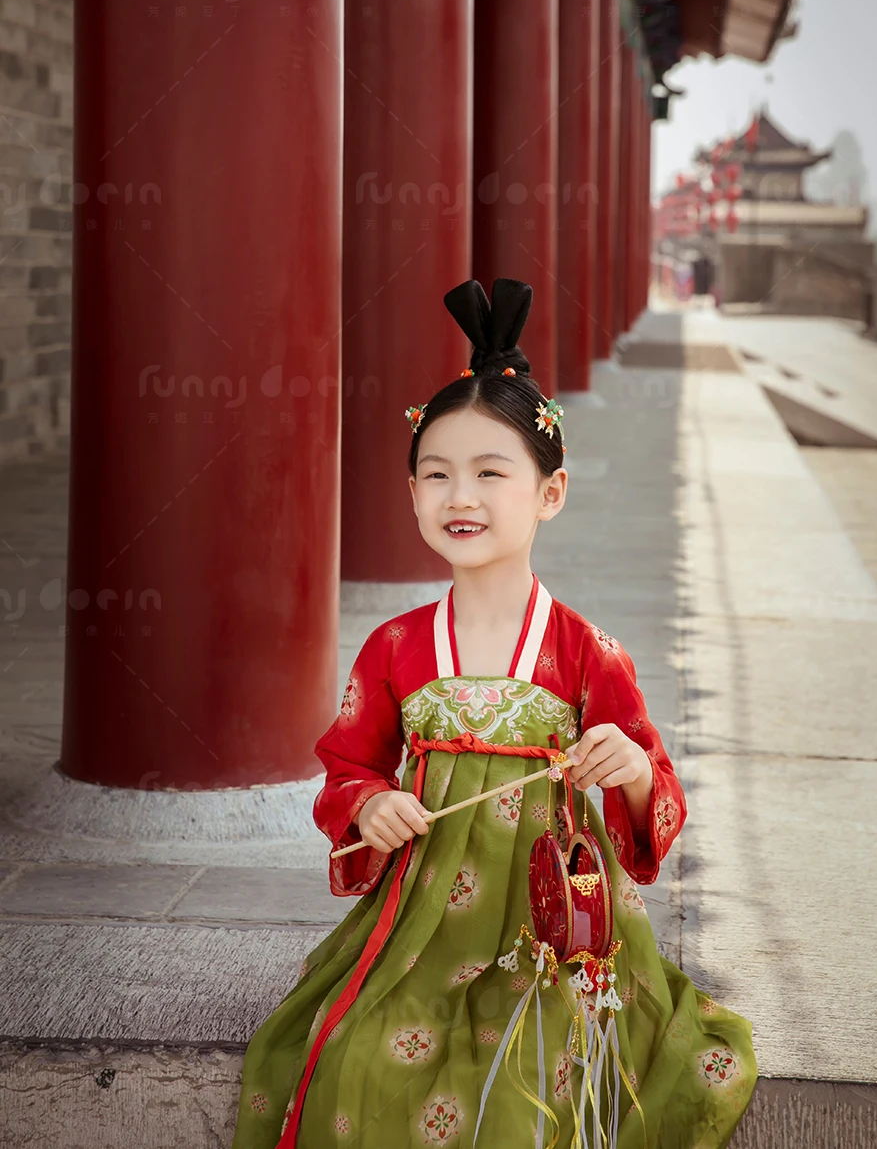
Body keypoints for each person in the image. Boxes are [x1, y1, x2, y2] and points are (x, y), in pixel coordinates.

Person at [231, 277, 756, 1148]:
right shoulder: (396, 647)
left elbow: (655, 788)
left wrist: (626, 770)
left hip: (552, 925)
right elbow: (347, 764)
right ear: (410, 494)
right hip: (421, 921)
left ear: (550, 493)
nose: (459, 497)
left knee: (535, 1073)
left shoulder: (587, 650)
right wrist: (369, 803)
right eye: (434, 474)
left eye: (489, 473)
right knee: (357, 1055)